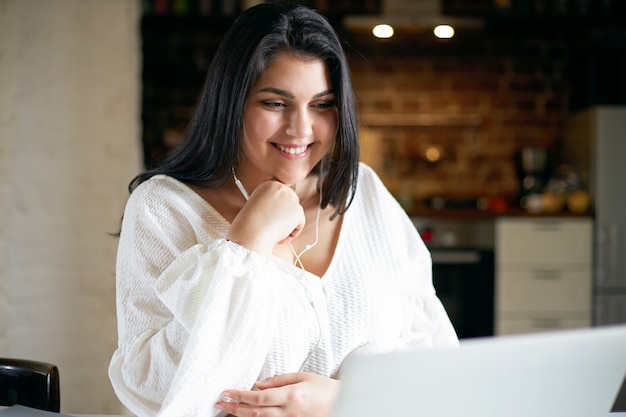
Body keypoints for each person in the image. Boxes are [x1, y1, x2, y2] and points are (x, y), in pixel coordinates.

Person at [108, 2, 458, 417]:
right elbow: (157, 390)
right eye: (275, 103)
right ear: (232, 101)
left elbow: (436, 365)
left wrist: (343, 401)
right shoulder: (164, 209)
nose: (301, 129)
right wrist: (245, 242)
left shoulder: (362, 191)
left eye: (322, 104)